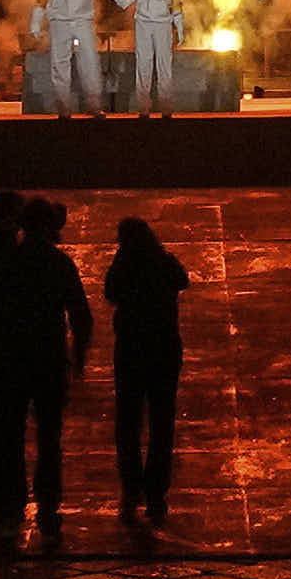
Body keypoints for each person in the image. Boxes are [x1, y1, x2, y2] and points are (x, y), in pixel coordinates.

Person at [0, 188, 92, 550]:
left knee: (5, 435)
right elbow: (80, 312)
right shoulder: (57, 263)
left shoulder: (1, 262)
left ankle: (8, 509)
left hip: (9, 361)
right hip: (47, 361)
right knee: (48, 438)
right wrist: (79, 355)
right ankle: (47, 506)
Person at [103, 217, 191, 526]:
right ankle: (156, 492)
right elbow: (183, 280)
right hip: (164, 348)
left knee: (128, 421)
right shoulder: (163, 263)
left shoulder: (123, 267)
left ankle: (131, 488)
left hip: (130, 349)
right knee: (161, 421)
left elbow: (109, 292)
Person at [39, 0, 99, 119]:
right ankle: (64, 107)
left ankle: (94, 105)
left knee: (89, 62)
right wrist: (36, 23)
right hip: (60, 22)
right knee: (60, 64)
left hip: (83, 21)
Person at [128, 0, 184, 117]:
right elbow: (125, 0)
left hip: (163, 25)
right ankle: (143, 107)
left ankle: (166, 106)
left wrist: (180, 29)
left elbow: (176, 5)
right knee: (143, 66)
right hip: (143, 24)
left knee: (164, 66)